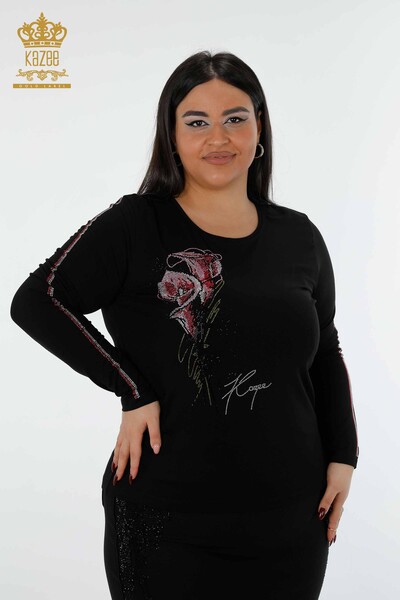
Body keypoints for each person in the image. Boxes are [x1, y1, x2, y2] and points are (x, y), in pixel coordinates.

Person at [10, 50, 359, 600]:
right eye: (197, 122)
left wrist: (344, 456)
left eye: (234, 118)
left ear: (259, 128)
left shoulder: (299, 236)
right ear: (171, 136)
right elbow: (38, 300)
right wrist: (131, 388)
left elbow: (325, 350)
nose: (218, 137)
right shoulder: (135, 224)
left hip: (291, 518)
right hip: (165, 522)